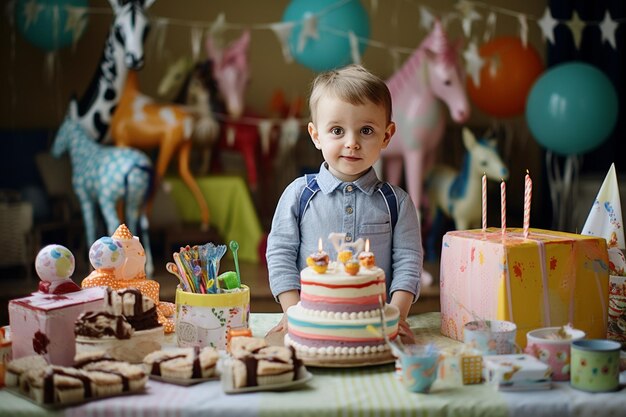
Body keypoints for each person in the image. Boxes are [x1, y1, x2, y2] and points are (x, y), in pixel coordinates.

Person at [266, 64, 422, 344]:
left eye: (366, 130)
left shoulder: (397, 202)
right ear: (315, 135)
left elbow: (409, 262)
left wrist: (397, 314)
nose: (352, 143)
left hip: (375, 329)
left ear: (386, 136)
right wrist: (292, 311)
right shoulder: (298, 195)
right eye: (337, 130)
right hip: (310, 325)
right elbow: (280, 255)